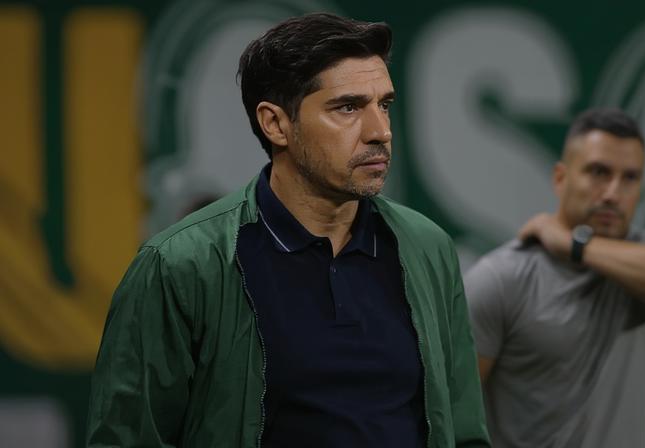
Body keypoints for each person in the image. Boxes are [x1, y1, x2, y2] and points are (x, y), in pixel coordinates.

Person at [86, 13, 489, 447]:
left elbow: (464, 432)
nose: (381, 131)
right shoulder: (178, 267)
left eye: (384, 105)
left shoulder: (427, 247)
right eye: (348, 107)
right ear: (275, 124)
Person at [464, 108, 645, 448]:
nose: (612, 192)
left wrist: (573, 245)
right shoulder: (503, 277)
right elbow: (455, 419)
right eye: (598, 172)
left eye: (630, 178)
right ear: (561, 178)